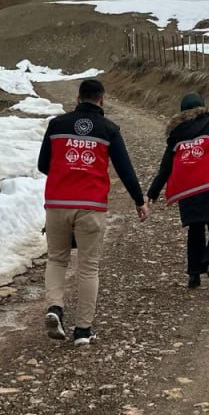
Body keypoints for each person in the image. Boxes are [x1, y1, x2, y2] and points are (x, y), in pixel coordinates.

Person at [38, 78, 147, 345]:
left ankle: (55, 308)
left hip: (57, 203)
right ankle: (83, 331)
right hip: (91, 205)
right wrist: (139, 200)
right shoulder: (109, 129)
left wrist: (67, 171)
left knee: (56, 259)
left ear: (77, 98)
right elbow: (124, 168)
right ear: (102, 100)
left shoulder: (56, 125)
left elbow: (43, 165)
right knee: (88, 266)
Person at [147, 92, 209, 290]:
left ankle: (194, 276)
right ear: (202, 107)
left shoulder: (176, 133)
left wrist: (151, 194)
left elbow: (166, 168)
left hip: (187, 190)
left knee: (195, 230)